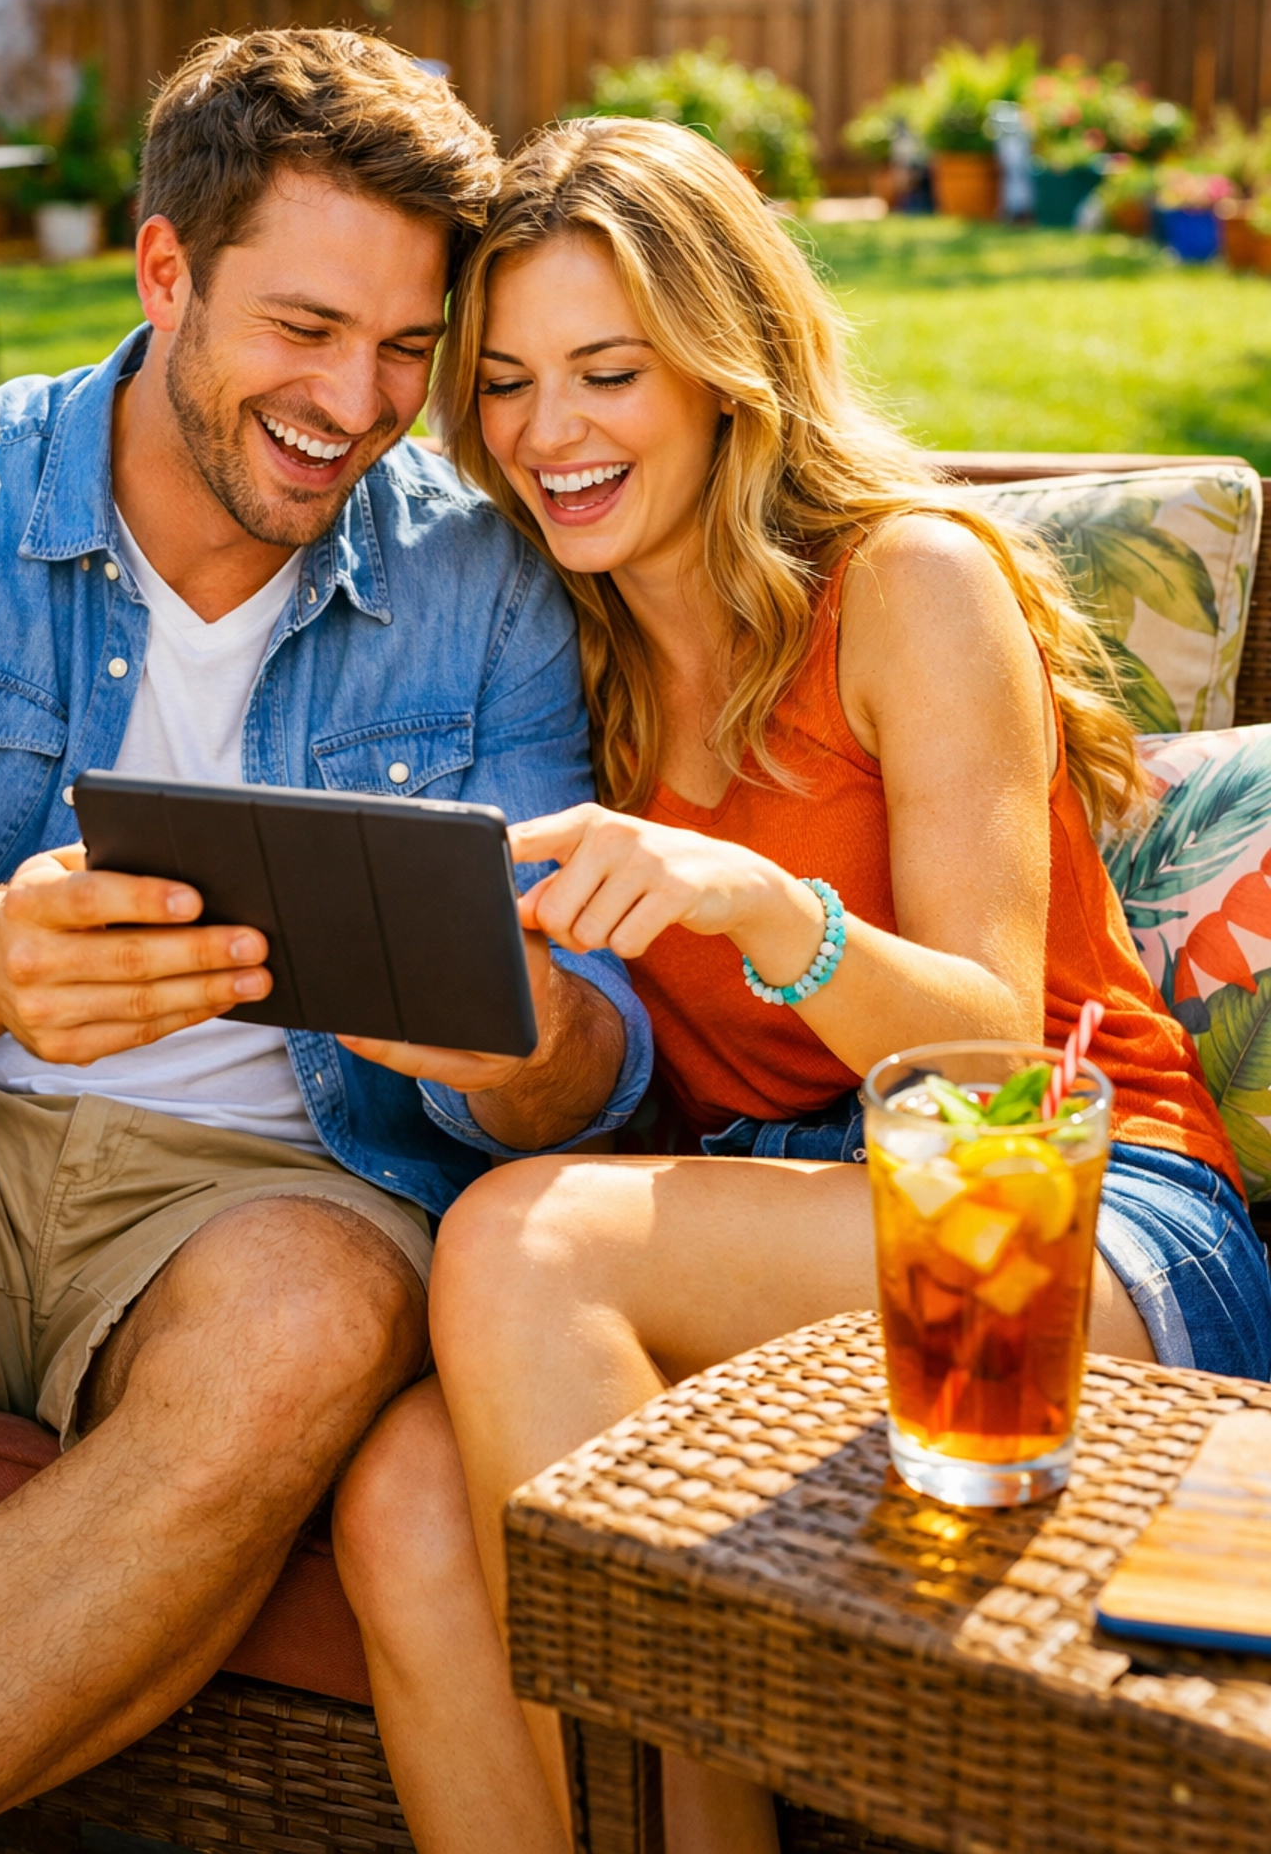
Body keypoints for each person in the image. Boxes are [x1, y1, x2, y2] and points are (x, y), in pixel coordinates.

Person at [0, 32, 650, 1851]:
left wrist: (515, 1040)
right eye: (302, 330)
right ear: (166, 273)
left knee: (316, 1311)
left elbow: (591, 1060)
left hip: (257, 1202)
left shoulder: (484, 577)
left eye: (407, 349)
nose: (356, 402)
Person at [333, 116, 1271, 1854]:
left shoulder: (908, 585)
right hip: (771, 1225)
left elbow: (991, 1048)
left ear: (725, 369)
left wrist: (772, 911)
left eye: (607, 372)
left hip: (1060, 1204)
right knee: (399, 1502)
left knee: (528, 1241)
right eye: (511, 383)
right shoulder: (561, 645)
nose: (551, 436)